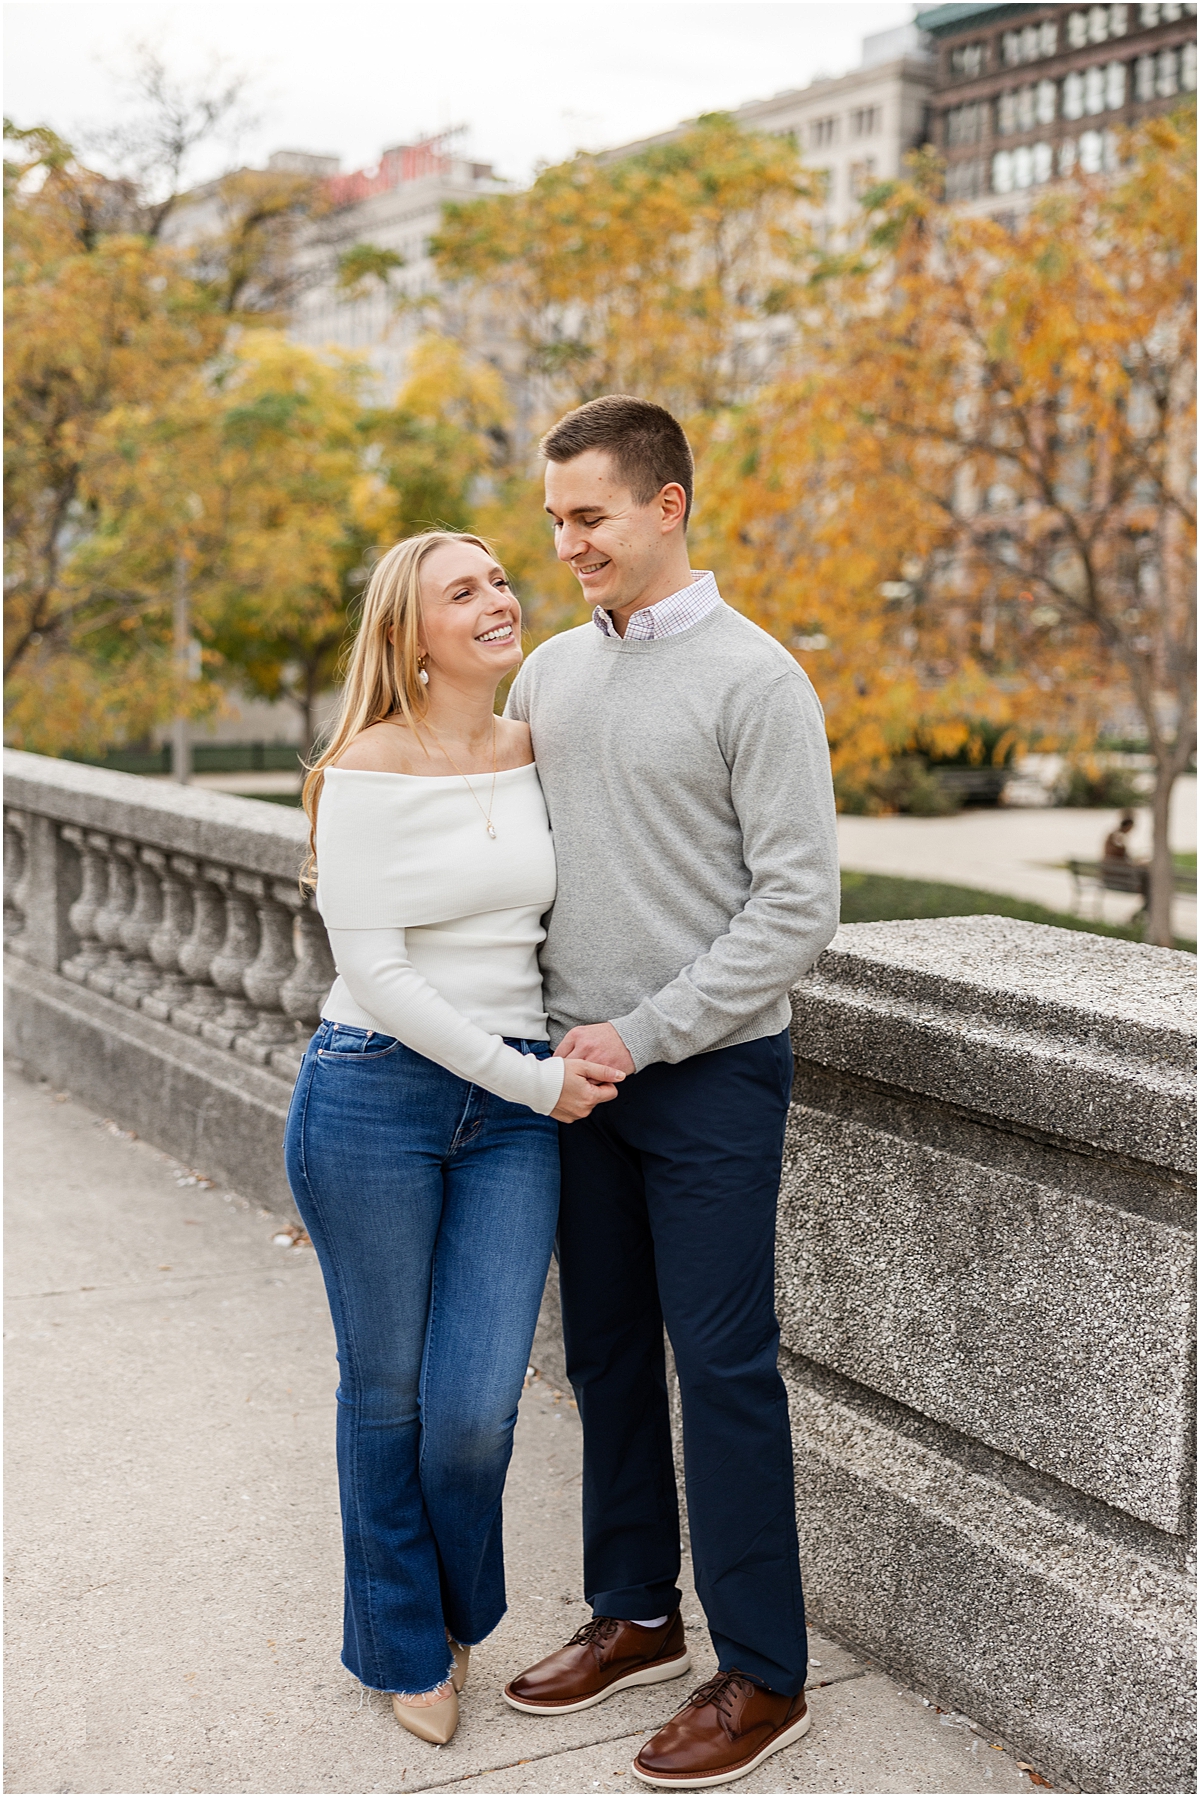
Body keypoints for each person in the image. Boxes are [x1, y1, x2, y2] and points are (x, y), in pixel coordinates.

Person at [501, 396, 840, 1790]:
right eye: (556, 520)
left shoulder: (758, 681)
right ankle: (636, 1612)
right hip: (574, 1082)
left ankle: (764, 1673)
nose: (567, 543)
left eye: (588, 516)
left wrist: (644, 1032)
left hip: (706, 1077)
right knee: (603, 1362)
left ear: (666, 506)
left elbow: (798, 908)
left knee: (724, 1369)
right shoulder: (548, 681)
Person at [284, 530, 625, 1747]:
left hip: (513, 1107)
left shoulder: (540, 749)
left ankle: (449, 1610)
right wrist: (533, 1087)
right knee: (384, 1393)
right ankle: (404, 1644)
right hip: (374, 1093)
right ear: (409, 634)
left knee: (475, 1409)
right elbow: (373, 972)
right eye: (461, 590)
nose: (498, 598)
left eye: (497, 578)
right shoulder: (364, 770)